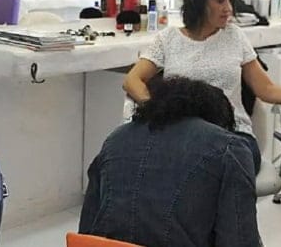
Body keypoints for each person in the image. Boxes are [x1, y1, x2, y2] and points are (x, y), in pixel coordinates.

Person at [122, 0, 281, 174]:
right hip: (183, 132)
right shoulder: (168, 39)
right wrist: (158, 109)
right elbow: (132, 80)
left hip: (232, 132)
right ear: (197, 1)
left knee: (205, 167)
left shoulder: (235, 36)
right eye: (220, 1)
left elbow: (266, 89)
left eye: (230, 0)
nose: (228, 8)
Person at [80, 76, 260, 247]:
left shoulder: (116, 139)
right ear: (217, 119)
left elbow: (86, 231)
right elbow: (239, 239)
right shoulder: (228, 147)